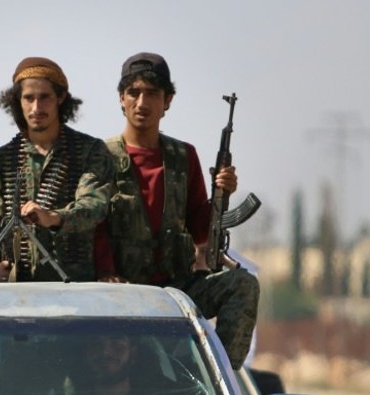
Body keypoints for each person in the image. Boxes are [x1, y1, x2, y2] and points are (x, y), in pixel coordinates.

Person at [95, 52, 260, 370]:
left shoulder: (183, 156)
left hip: (176, 288)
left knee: (242, 284)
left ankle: (218, 375)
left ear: (167, 101)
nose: (142, 103)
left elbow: (199, 228)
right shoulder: (101, 156)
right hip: (119, 291)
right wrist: (105, 273)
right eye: (134, 92)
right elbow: (93, 224)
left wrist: (221, 197)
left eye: (152, 94)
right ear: (121, 98)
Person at [0, 57, 113, 282]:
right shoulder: (3, 159)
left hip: (71, 283)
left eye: (45, 97)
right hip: (16, 287)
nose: (36, 108)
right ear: (18, 101)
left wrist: (53, 217)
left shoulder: (90, 151)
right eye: (28, 98)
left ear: (60, 98)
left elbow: (94, 206)